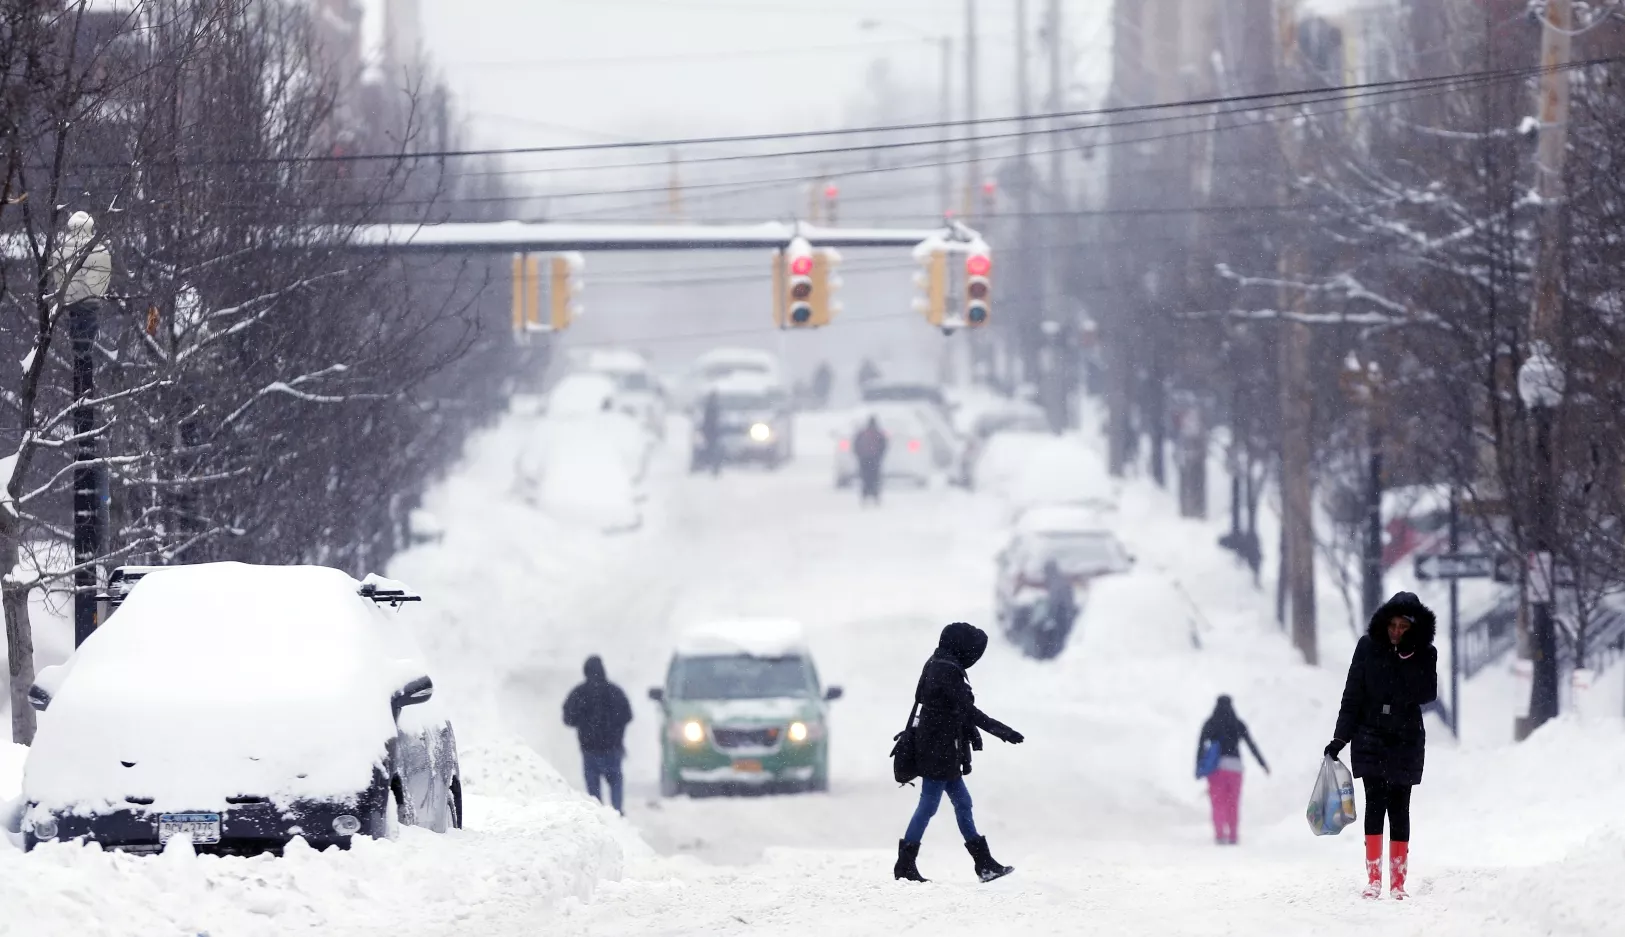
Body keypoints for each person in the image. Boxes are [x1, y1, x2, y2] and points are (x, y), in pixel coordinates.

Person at [1324, 591, 1438, 900]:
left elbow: (1427, 693)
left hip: (1406, 737)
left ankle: (1398, 882)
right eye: (1393, 625)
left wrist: (1409, 657)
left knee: (1400, 806)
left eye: (1404, 627)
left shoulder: (1425, 653)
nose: (1397, 632)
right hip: (1369, 734)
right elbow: (1352, 695)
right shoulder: (1367, 647)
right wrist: (1340, 738)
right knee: (1374, 802)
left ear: (1413, 628)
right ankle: (1373, 878)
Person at [894, 622, 1024, 884]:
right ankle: (905, 865)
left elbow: (950, 707)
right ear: (961, 647)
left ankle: (984, 864)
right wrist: (1003, 731)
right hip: (937, 750)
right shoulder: (946, 669)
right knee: (928, 806)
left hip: (942, 749)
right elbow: (968, 711)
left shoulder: (938, 662)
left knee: (962, 803)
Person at [562, 655, 634, 814]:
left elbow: (567, 718)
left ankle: (598, 816)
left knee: (593, 789)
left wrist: (584, 722)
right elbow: (628, 715)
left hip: (590, 750)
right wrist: (615, 729)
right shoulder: (615, 692)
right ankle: (617, 813)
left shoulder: (579, 693)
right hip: (613, 748)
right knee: (615, 782)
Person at [1195, 695, 1269, 845]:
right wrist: (1263, 764)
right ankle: (1233, 835)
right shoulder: (1237, 723)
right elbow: (1251, 744)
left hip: (1216, 768)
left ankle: (1220, 835)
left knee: (1218, 802)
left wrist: (1198, 766)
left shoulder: (1211, 723)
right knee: (1233, 802)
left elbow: (1201, 745)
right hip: (1235, 767)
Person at [852, 416, 888, 505]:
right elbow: (883, 445)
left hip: (864, 459)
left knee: (865, 478)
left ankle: (865, 495)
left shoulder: (862, 433)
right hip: (875, 459)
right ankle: (875, 495)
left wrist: (859, 455)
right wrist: (880, 456)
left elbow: (856, 444)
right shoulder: (878, 433)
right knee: (875, 478)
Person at [698, 390, 723, 476]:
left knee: (710, 448)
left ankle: (708, 464)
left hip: (710, 430)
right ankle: (713, 466)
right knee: (712, 448)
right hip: (712, 431)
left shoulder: (710, 406)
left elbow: (707, 420)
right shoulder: (714, 407)